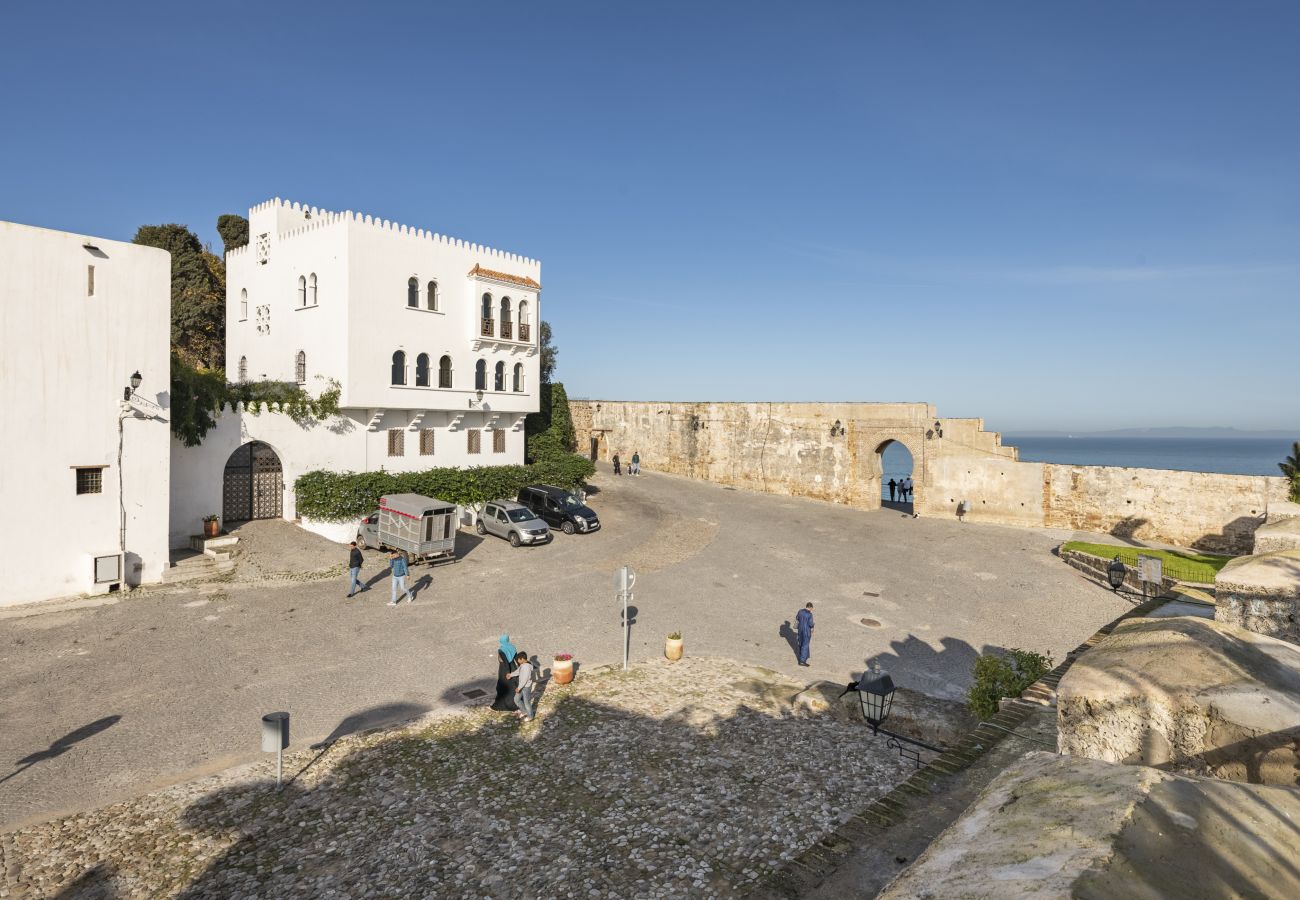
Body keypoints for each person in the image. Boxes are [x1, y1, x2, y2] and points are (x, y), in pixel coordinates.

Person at [491, 635, 520, 712]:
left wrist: (507, 673)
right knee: (513, 686)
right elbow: (516, 658)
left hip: (504, 670)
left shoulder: (501, 650)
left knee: (502, 687)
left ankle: (503, 705)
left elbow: (505, 662)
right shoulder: (512, 647)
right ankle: (516, 703)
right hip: (513, 667)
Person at [510, 650, 536, 720]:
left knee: (526, 702)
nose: (517, 661)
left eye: (518, 660)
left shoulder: (526, 667)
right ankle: (524, 711)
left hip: (526, 687)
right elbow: (518, 671)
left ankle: (530, 716)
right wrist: (511, 675)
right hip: (522, 686)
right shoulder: (523, 665)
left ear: (522, 659)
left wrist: (519, 688)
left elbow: (525, 679)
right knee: (516, 699)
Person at [795, 602, 814, 666]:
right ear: (810, 607)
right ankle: (802, 661)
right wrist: (812, 627)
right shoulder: (809, 614)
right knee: (805, 645)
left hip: (800, 630)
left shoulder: (800, 611)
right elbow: (810, 623)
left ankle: (803, 656)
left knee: (801, 643)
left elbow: (797, 618)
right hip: (806, 631)